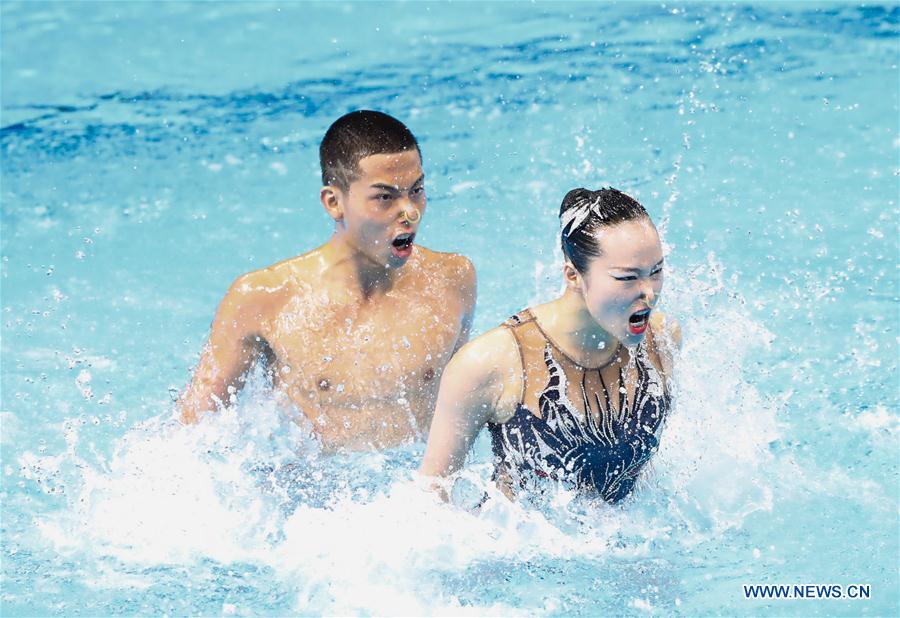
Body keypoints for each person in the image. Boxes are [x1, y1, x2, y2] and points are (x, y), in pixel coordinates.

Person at [178, 110, 476, 452]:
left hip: (413, 498)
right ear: (334, 202)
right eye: (385, 197)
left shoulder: (452, 279)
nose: (410, 212)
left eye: (417, 190)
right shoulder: (264, 298)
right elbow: (190, 434)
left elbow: (459, 411)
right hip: (316, 499)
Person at [420, 188, 680, 503]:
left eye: (656, 272)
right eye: (627, 278)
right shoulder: (489, 364)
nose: (649, 293)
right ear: (573, 275)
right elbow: (430, 502)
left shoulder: (662, 340)